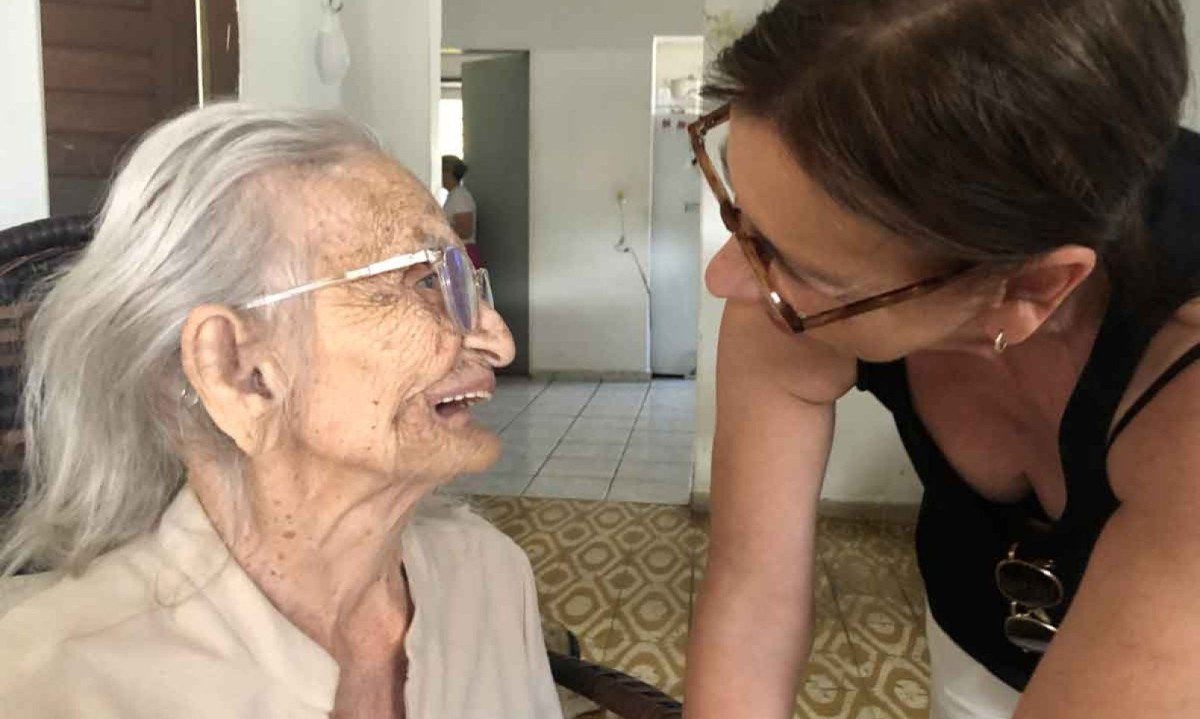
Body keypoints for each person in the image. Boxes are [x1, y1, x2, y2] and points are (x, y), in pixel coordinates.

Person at [683, 1, 1200, 718]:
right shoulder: (798, 244)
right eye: (740, 213)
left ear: (1031, 289)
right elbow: (751, 599)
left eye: (811, 273)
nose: (726, 278)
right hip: (974, 631)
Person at [0, 104, 562, 719]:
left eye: (466, 281)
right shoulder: (52, 685)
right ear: (238, 370)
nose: (499, 342)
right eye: (424, 282)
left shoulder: (489, 577)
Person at [442, 155, 483, 268]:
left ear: (448, 172)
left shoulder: (460, 197)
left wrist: (439, 230)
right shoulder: (453, 196)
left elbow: (465, 230)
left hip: (462, 254)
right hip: (455, 253)